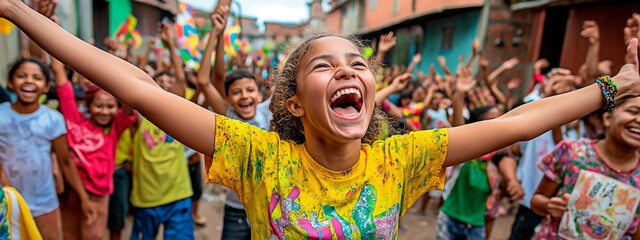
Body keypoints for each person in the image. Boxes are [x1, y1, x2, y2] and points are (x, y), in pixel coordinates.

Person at [4, 1, 639, 238]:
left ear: (370, 88)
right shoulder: (260, 157)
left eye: (357, 63)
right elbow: (134, 87)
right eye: (323, 66)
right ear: (290, 103)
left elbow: (520, 124)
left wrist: (614, 87)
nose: (346, 70)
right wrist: (21, 14)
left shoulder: (401, 158)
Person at [0, 57, 97, 240]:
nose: (29, 80)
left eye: (37, 77)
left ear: (46, 87)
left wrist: (84, 198)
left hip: (44, 204)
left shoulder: (53, 119)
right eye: (22, 76)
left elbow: (66, 162)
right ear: (11, 83)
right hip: (6, 203)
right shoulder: (1, 115)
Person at [50, 43, 136, 239]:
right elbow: (59, 75)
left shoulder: (115, 129)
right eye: (99, 105)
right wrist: (48, 26)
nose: (104, 111)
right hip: (72, 191)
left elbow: (130, 98)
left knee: (92, 236)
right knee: (70, 235)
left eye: (110, 106)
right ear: (88, 105)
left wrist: (120, 64)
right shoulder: (74, 120)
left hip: (99, 196)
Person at [196, 9, 267, 237]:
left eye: (249, 90)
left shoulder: (269, 112)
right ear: (227, 100)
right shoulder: (227, 114)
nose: (244, 96)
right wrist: (216, 34)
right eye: (236, 92)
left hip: (269, 208)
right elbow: (204, 80)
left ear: (260, 95)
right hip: (235, 211)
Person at [531, 96, 640, 239]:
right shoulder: (572, 151)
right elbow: (536, 201)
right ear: (607, 118)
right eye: (633, 111)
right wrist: (550, 205)